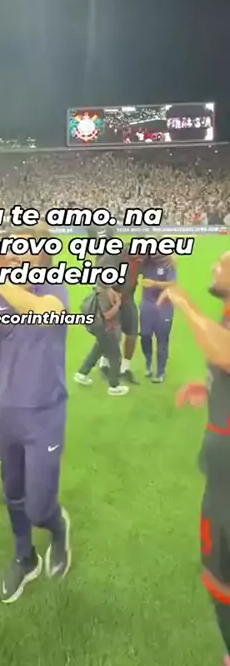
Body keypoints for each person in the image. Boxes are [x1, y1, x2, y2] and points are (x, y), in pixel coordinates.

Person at [0, 229, 71, 603]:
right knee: (13, 493)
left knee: (38, 507)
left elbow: (48, 312)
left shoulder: (52, 286)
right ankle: (25, 558)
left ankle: (57, 527)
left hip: (45, 411)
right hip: (8, 410)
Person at [159, 252, 230, 665]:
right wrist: (209, 388)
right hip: (220, 475)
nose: (213, 267)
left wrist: (184, 302)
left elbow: (226, 354)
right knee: (218, 575)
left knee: (222, 578)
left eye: (223, 263)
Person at [97, 244, 143, 384]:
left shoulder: (143, 258)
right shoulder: (115, 255)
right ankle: (104, 364)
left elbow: (161, 262)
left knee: (132, 333)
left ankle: (125, 368)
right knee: (111, 333)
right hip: (112, 299)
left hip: (128, 299)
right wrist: (108, 289)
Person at [74, 285, 129, 396]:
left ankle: (82, 373)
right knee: (115, 356)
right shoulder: (104, 294)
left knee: (98, 349)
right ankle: (114, 386)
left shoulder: (99, 289)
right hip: (104, 329)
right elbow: (107, 315)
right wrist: (118, 304)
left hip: (99, 328)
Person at [139, 254, 176, 382]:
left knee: (162, 339)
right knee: (145, 336)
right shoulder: (145, 262)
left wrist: (154, 284)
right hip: (147, 305)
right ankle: (148, 361)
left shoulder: (168, 264)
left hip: (164, 307)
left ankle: (160, 371)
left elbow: (172, 284)